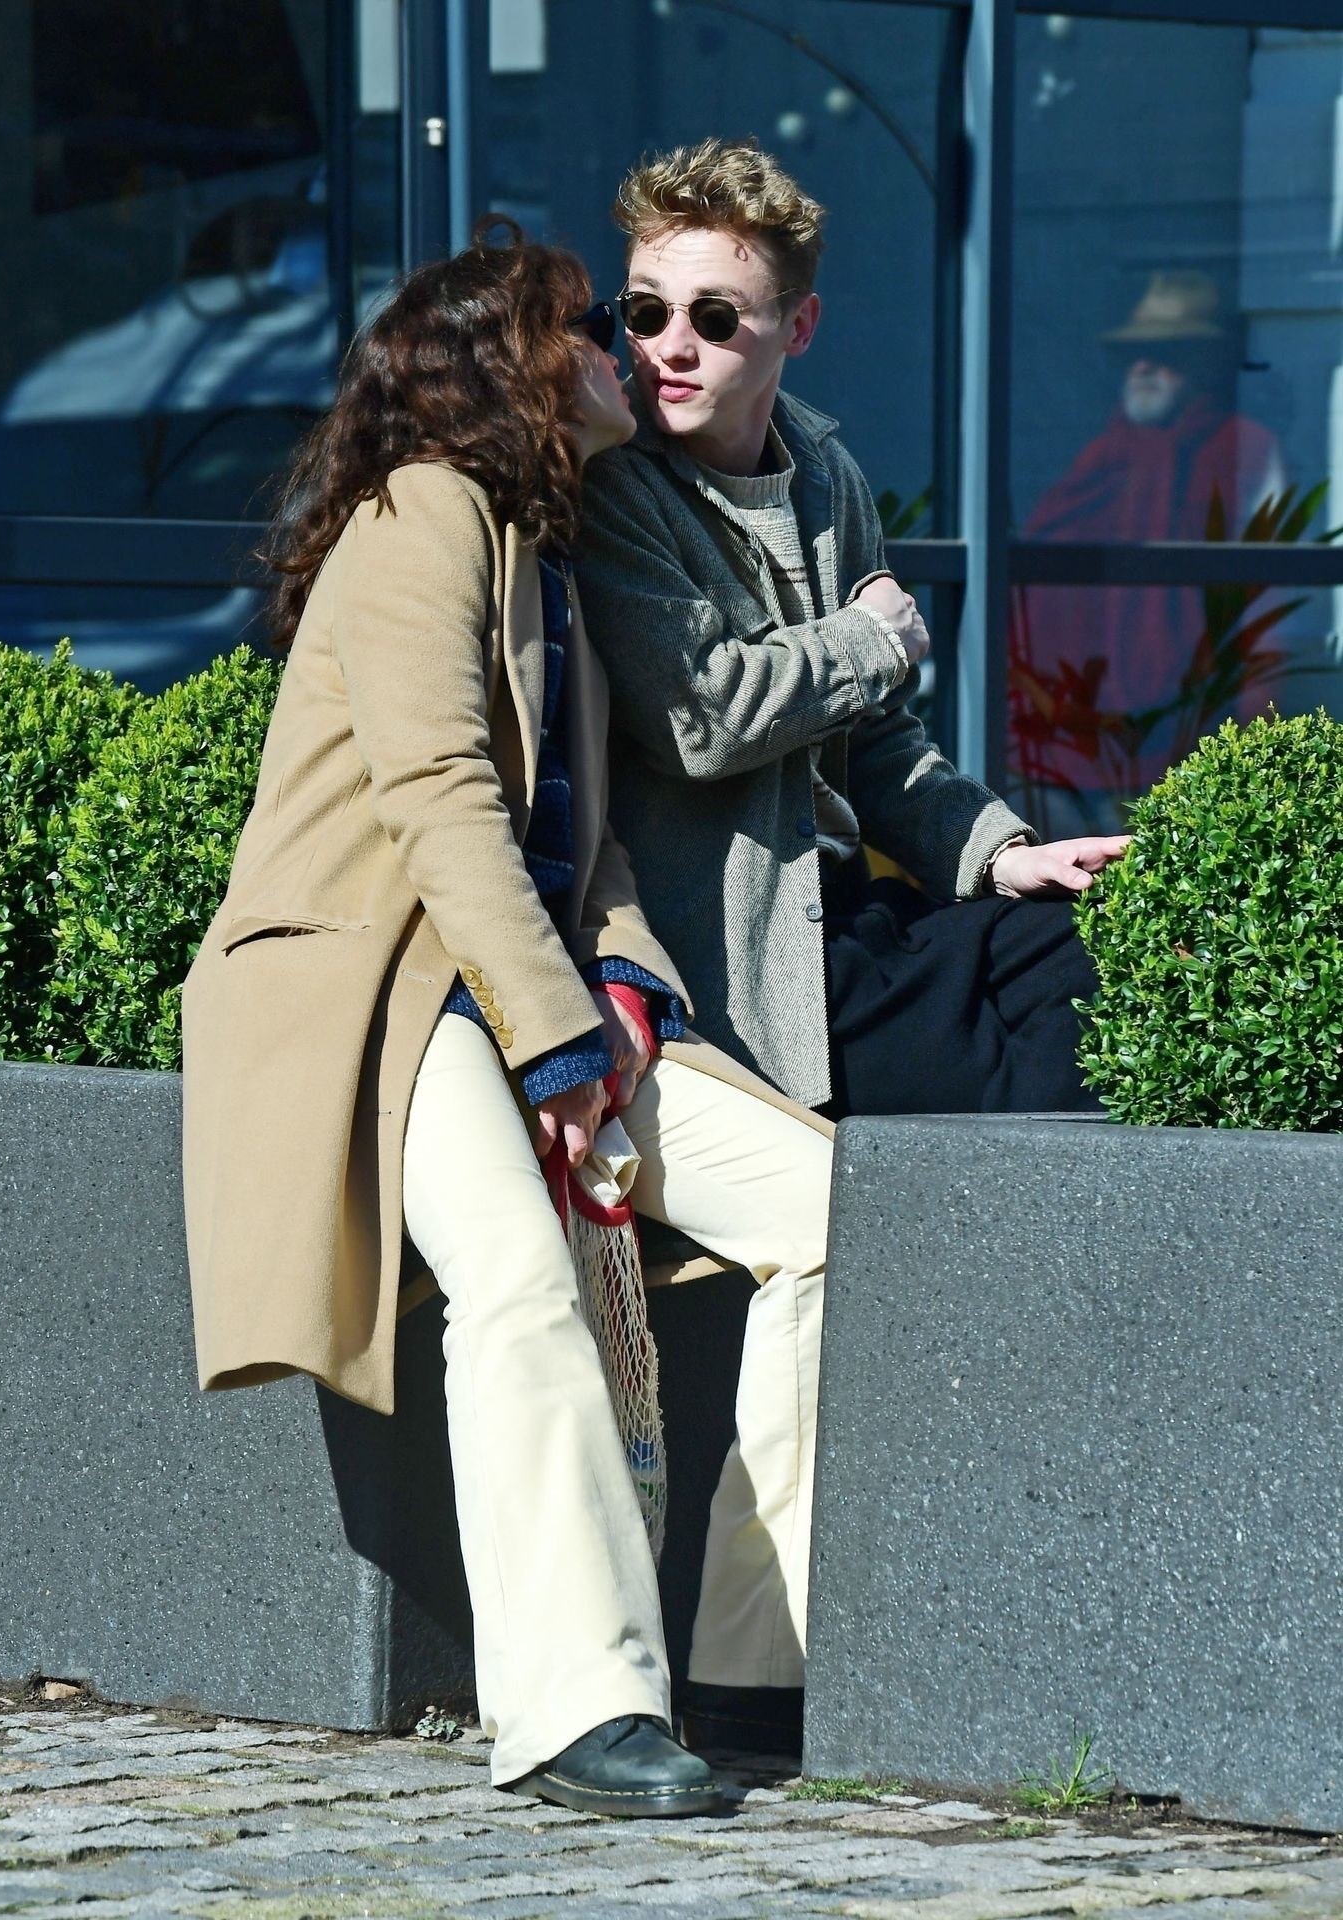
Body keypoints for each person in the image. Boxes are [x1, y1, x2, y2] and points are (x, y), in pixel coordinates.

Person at [179, 218, 835, 1816]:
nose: (625, 350)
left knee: (819, 1208)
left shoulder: (546, 549)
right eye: (592, 325)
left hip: (520, 986)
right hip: (371, 985)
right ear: (509, 366)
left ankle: (750, 1669)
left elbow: (584, 854)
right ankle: (573, 1712)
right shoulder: (421, 512)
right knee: (519, 1275)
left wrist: (626, 993)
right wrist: (556, 1047)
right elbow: (442, 803)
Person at [575, 136, 1129, 1120]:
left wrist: (999, 854)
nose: (668, 347)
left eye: (714, 317)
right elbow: (701, 719)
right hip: (743, 970)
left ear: (799, 326)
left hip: (851, 915)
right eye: (646, 311)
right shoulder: (611, 487)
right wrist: (869, 640)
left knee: (1099, 956)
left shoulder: (825, 473)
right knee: (1027, 1084)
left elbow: (875, 741)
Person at [1011, 270, 1287, 833]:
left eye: (1165, 356)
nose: (1142, 367)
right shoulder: (1099, 453)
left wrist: (1256, 731)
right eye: (1133, 356)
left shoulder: (1244, 449)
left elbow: (1268, 601)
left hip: (1185, 721)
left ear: (1202, 364)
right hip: (1066, 727)